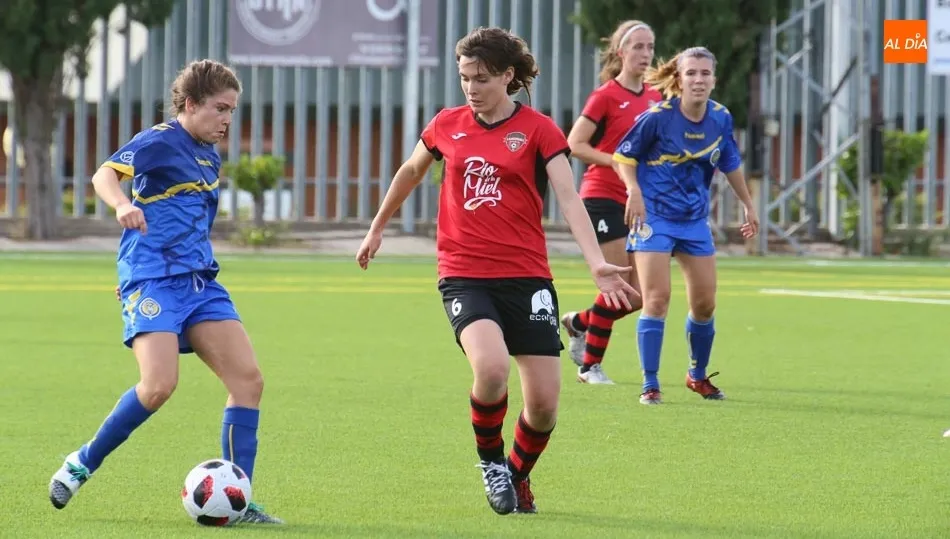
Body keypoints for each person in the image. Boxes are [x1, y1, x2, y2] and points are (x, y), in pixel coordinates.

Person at [356, 26, 635, 515]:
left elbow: (569, 198)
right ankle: (490, 464)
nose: (470, 88)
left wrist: (595, 263)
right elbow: (410, 171)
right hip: (464, 273)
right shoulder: (447, 124)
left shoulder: (540, 129)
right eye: (464, 77)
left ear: (507, 76)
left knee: (545, 405)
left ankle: (515, 473)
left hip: (527, 278)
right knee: (490, 368)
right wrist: (377, 227)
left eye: (481, 78)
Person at [47, 59, 282, 525]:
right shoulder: (158, 141)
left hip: (199, 283)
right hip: (154, 280)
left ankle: (239, 498)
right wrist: (120, 208)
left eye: (233, 110)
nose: (227, 120)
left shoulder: (207, 153)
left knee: (248, 382)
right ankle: (81, 463)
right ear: (190, 104)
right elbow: (104, 176)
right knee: (158, 385)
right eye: (220, 108)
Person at [612, 46, 759, 405]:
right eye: (691, 73)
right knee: (657, 298)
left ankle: (696, 375)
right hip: (654, 218)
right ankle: (650, 383)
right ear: (679, 78)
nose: (698, 79)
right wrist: (634, 191)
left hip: (694, 221)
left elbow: (730, 161)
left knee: (705, 304)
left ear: (714, 79)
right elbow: (623, 156)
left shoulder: (721, 118)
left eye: (705, 73)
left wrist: (748, 203)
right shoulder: (658, 117)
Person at [561, 20, 662, 385]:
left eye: (649, 47)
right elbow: (575, 144)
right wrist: (618, 161)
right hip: (603, 197)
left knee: (637, 297)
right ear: (621, 52)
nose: (645, 54)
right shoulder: (605, 95)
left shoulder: (656, 97)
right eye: (637, 47)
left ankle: (577, 323)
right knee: (621, 288)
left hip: (639, 203)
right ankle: (590, 367)